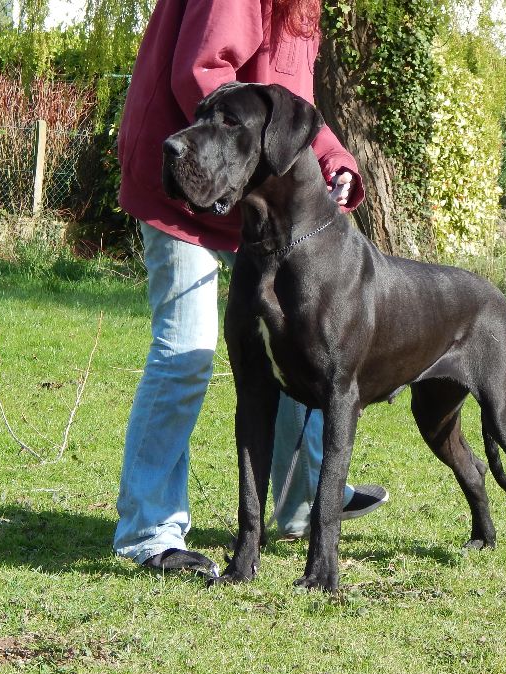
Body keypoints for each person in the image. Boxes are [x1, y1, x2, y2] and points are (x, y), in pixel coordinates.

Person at [113, 0, 388, 577]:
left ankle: (303, 501)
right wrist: (231, 164)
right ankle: (150, 533)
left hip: (256, 204)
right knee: (187, 349)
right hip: (190, 191)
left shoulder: (302, 8)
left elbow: (288, 104)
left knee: (300, 343)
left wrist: (330, 159)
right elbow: (205, 74)